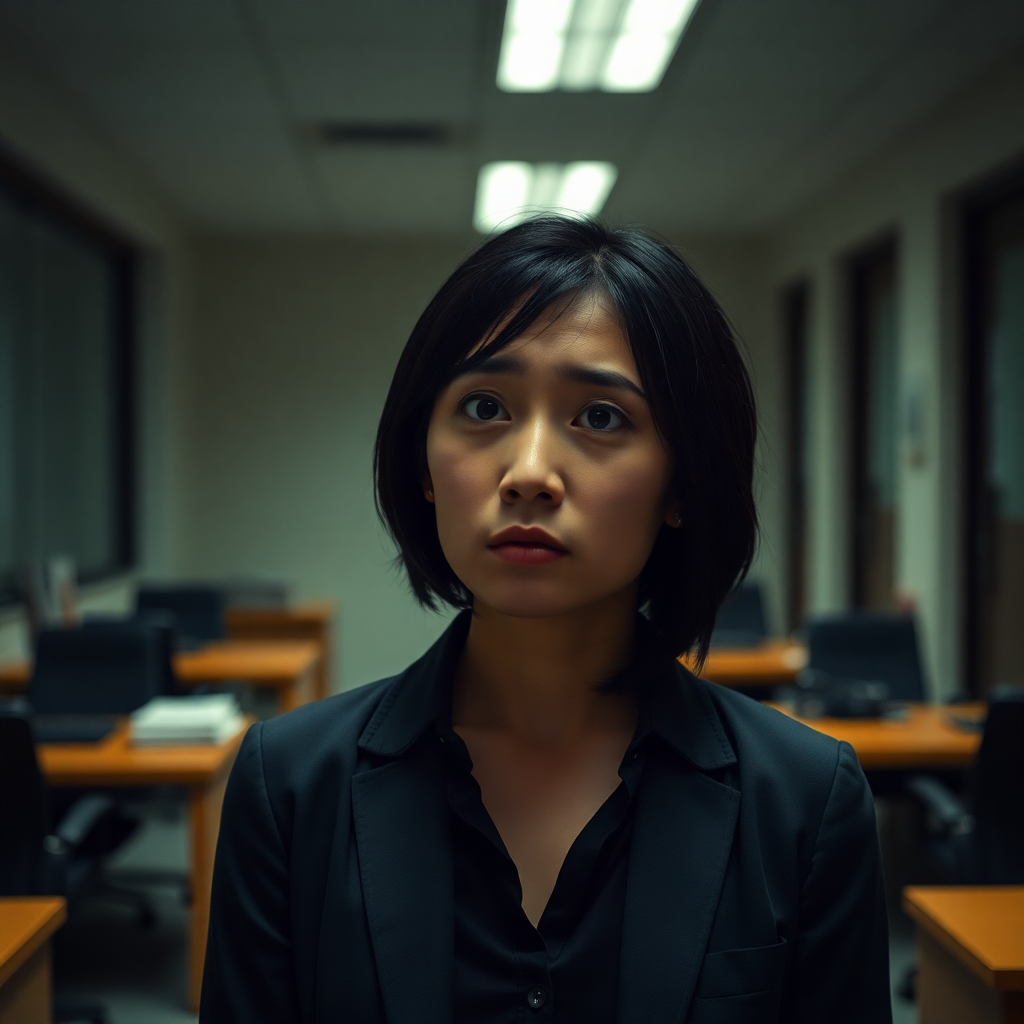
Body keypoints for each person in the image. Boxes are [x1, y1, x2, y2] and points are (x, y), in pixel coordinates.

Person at [199, 216, 891, 1024]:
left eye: (600, 417)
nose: (529, 474)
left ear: (681, 486)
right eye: (485, 406)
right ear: (423, 464)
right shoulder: (287, 785)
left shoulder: (807, 800)